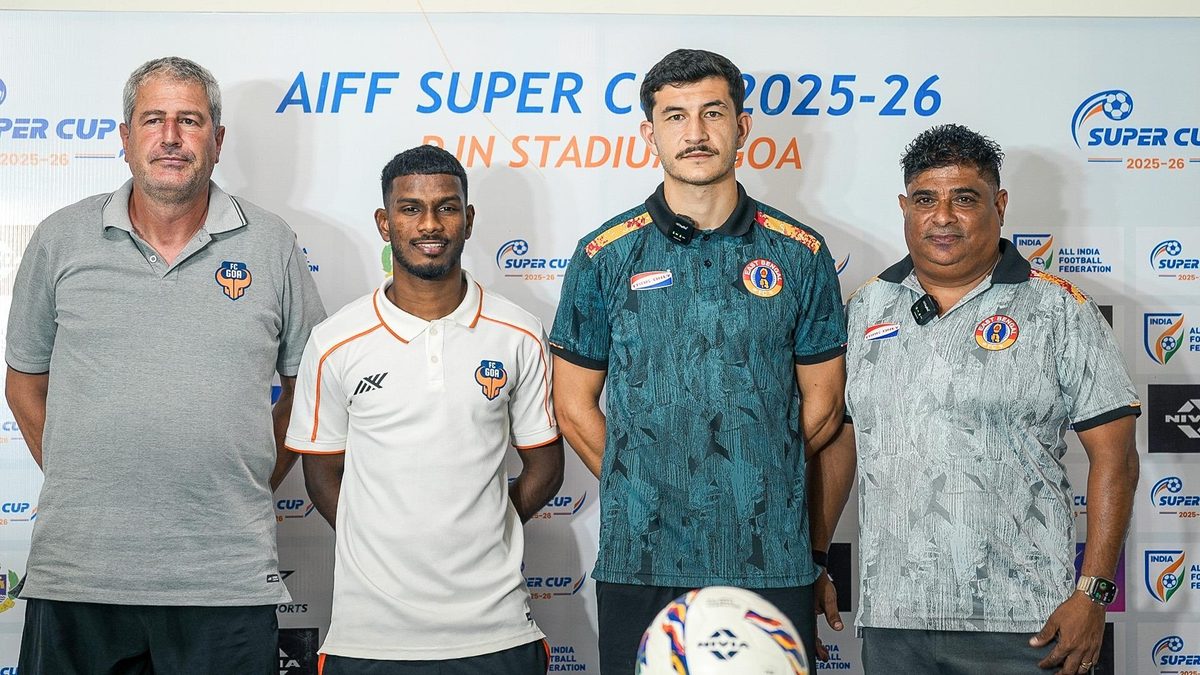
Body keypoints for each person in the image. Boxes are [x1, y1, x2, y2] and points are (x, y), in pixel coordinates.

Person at [4, 56, 326, 673]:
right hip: (79, 576)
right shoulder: (60, 238)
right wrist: (81, 475)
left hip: (225, 580)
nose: (171, 137)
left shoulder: (272, 243)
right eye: (153, 120)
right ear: (125, 137)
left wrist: (247, 480)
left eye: (190, 121)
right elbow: (23, 382)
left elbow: (310, 389)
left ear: (218, 140)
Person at [549, 48, 848, 672]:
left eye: (712, 113)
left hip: (770, 557)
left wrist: (753, 480)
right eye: (675, 116)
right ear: (649, 133)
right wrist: (649, 483)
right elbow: (573, 407)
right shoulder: (603, 255)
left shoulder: (801, 253)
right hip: (642, 558)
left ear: (742, 126)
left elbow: (824, 406)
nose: (695, 133)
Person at [838, 124, 1139, 675]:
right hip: (894, 621)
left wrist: (1093, 592)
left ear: (998, 205)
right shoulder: (865, 308)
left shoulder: (1059, 309)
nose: (943, 217)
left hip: (1028, 624)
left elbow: (1115, 457)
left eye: (964, 199)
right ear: (904, 207)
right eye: (925, 200)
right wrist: (816, 557)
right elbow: (839, 441)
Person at [284, 144, 563, 674]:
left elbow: (546, 467)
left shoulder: (519, 333)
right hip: (370, 637)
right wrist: (381, 545)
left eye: (446, 207)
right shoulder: (335, 341)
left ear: (469, 219)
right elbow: (321, 476)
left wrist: (485, 529)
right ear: (384, 223)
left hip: (496, 629)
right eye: (410, 208)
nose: (430, 224)